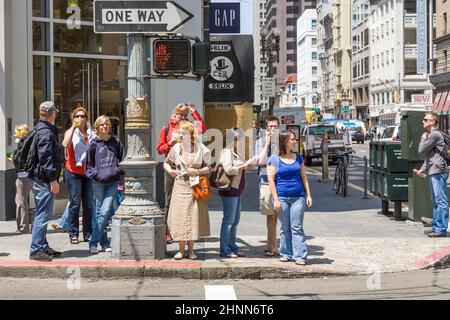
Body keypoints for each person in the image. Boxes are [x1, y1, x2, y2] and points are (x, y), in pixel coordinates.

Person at [157, 103, 206, 244]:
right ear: (175, 114)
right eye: (181, 114)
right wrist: (171, 142)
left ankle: (187, 232)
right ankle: (168, 233)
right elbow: (160, 149)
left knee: (189, 203)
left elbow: (201, 129)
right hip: (172, 168)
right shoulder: (166, 129)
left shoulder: (189, 128)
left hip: (189, 170)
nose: (183, 117)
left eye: (185, 115)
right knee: (169, 201)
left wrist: (194, 112)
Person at [163, 121, 211, 260]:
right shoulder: (176, 148)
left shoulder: (201, 148)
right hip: (179, 185)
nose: (181, 135)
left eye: (183, 133)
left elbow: (209, 168)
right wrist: (171, 171)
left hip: (194, 186)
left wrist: (196, 170)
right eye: (180, 133)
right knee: (180, 217)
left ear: (190, 134)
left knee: (193, 217)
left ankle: (191, 250)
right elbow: (166, 162)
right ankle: (180, 250)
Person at [267, 130, 313, 265]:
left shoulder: (298, 157)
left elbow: (304, 176)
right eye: (292, 139)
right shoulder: (274, 158)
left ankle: (300, 256)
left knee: (297, 227)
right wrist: (275, 199)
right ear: (285, 141)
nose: (295, 141)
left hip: (298, 197)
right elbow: (271, 180)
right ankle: (286, 253)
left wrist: (308, 194)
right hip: (281, 197)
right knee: (285, 227)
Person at [86, 115, 125, 254]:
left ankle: (93, 241)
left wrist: (117, 172)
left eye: (107, 124)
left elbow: (123, 161)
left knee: (105, 211)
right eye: (102, 124)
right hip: (98, 183)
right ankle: (104, 242)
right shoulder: (93, 144)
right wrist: (95, 174)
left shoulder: (116, 142)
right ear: (97, 127)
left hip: (112, 182)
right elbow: (88, 165)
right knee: (98, 213)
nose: (105, 126)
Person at [30, 101, 63, 261]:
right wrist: (52, 180)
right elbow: (45, 157)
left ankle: (42, 246)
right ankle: (36, 250)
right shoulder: (45, 132)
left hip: (41, 178)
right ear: (53, 113)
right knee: (42, 215)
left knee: (43, 213)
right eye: (55, 112)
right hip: (44, 179)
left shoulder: (42, 129)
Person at [62, 107, 95, 244]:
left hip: (87, 172)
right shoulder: (71, 132)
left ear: (87, 118)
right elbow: (65, 144)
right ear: (73, 118)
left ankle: (87, 233)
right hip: (73, 172)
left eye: (82, 116)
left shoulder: (91, 133)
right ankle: (73, 233)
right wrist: (73, 128)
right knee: (75, 203)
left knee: (88, 205)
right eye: (77, 116)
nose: (80, 118)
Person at [218, 128, 253, 258]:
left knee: (235, 220)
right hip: (230, 190)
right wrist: (244, 166)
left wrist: (245, 165)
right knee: (228, 221)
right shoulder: (227, 152)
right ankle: (225, 249)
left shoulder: (235, 152)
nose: (240, 142)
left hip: (237, 190)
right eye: (238, 139)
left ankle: (232, 247)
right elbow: (229, 169)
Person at [418, 112, 449, 237]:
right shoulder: (432, 135)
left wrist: (422, 139)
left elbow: (421, 150)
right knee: (436, 200)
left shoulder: (434, 134)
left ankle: (441, 229)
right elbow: (429, 155)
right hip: (434, 170)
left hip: (438, 170)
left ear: (432, 121)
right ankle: (437, 227)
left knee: (441, 200)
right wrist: (423, 168)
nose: (423, 121)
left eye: (425, 119)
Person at [255, 116, 280, 257]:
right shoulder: (260, 142)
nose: (273, 129)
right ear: (266, 128)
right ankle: (272, 245)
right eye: (270, 126)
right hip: (265, 180)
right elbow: (260, 161)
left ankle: (272, 245)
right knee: (269, 215)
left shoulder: (282, 142)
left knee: (275, 215)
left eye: (275, 126)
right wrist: (267, 143)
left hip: (279, 180)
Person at [12, 124, 34, 233]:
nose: (15, 133)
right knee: (24, 201)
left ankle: (23, 227)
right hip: (27, 175)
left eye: (17, 131)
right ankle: (32, 225)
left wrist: (13, 158)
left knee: (21, 202)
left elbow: (21, 159)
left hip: (23, 176)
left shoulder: (23, 143)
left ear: (22, 132)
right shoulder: (28, 142)